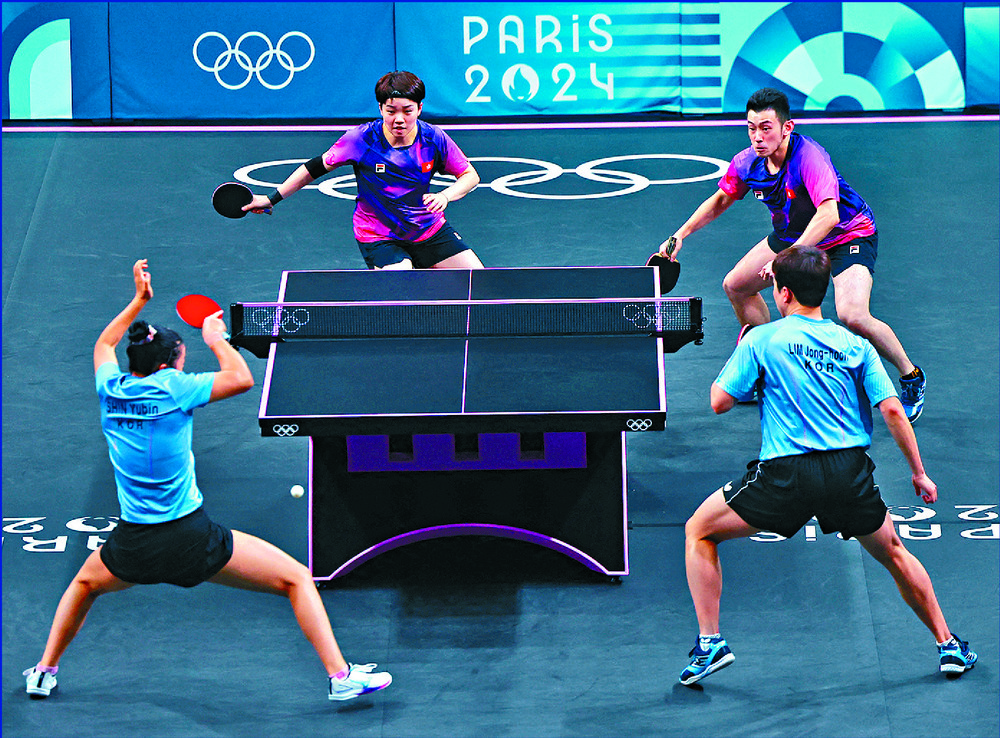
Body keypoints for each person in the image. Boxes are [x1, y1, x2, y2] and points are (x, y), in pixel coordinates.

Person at [23, 259, 391, 702]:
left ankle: (44, 671)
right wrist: (216, 340)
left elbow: (104, 343)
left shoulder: (111, 388)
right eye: (181, 357)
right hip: (189, 538)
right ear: (168, 365)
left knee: (83, 586)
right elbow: (241, 379)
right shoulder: (175, 388)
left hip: (134, 541)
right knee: (296, 578)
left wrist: (138, 301)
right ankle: (339, 675)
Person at [678, 245, 977, 686]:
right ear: (823, 290)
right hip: (847, 474)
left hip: (785, 476)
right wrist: (918, 471)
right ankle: (948, 644)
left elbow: (719, 403)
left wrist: (743, 350)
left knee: (699, 531)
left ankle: (710, 644)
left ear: (781, 293)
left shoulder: (762, 339)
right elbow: (893, 410)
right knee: (893, 552)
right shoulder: (855, 344)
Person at [658, 87, 926, 422]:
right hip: (792, 234)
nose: (758, 136)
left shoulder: (809, 158)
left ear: (787, 127)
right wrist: (680, 234)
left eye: (766, 128)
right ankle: (766, 369)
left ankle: (911, 376)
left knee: (853, 314)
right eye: (752, 128)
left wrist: (789, 256)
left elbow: (828, 215)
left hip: (847, 234)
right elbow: (721, 200)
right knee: (736, 285)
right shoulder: (748, 163)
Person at [245, 69, 484, 271]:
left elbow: (470, 176)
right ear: (381, 109)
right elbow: (314, 168)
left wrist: (445, 196)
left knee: (479, 280)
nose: (399, 119)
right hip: (379, 235)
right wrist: (271, 198)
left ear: (419, 108)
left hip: (427, 229)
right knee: (404, 284)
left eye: (407, 110)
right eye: (391, 111)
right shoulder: (361, 139)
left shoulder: (433, 138)